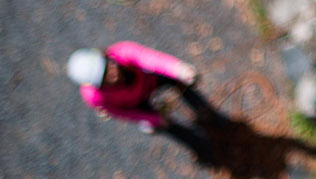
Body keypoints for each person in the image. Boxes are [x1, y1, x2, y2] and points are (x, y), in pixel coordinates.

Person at [66, 41, 219, 161]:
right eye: (104, 78)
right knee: (166, 125)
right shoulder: (95, 97)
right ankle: (202, 147)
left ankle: (204, 111)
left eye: (108, 67)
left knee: (179, 81)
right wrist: (153, 118)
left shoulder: (122, 51)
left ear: (106, 57)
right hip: (136, 103)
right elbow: (123, 113)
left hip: (150, 82)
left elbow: (151, 59)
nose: (112, 76)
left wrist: (179, 70)